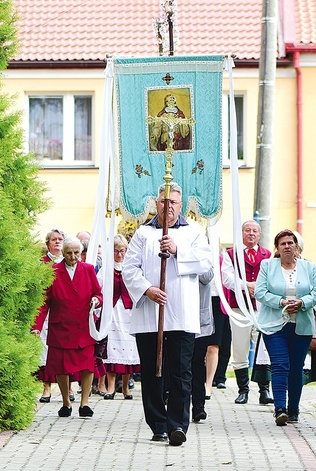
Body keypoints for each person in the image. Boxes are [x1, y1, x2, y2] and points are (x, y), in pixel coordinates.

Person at [122, 182, 212, 446]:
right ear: (156, 203)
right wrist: (147, 289)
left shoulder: (193, 232)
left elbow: (205, 264)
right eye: (163, 202)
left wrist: (177, 251)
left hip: (182, 314)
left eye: (173, 202)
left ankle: (177, 426)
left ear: (180, 205)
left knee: (181, 372)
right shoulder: (142, 233)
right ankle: (158, 424)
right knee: (152, 372)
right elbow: (129, 269)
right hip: (151, 315)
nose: (168, 206)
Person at [255, 229, 316, 426]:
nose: (287, 246)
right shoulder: (267, 265)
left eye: (290, 243)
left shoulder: (309, 267)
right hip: (275, 325)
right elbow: (260, 292)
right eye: (283, 243)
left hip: (301, 325)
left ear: (297, 247)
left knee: (296, 368)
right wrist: (281, 302)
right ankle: (280, 409)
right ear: (277, 247)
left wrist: (302, 302)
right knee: (280, 365)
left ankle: (294, 409)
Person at [32, 237, 103, 418]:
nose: (73, 256)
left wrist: (96, 300)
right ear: (63, 253)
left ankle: (84, 403)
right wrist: (37, 326)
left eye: (76, 253)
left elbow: (98, 293)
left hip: (83, 327)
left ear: (81, 253)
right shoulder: (54, 271)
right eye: (69, 253)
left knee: (87, 365)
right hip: (61, 327)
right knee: (61, 367)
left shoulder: (87, 270)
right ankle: (66, 402)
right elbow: (43, 303)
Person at [221, 220, 273, 404]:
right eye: (247, 230)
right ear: (242, 233)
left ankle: (264, 390)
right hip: (239, 307)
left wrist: (257, 288)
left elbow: (272, 277)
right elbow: (227, 278)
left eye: (255, 231)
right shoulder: (231, 254)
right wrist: (246, 285)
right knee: (240, 347)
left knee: (263, 347)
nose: (251, 234)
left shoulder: (268, 254)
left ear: (259, 234)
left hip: (262, 308)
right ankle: (243, 390)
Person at [97, 234, 140, 400]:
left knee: (128, 349)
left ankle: (126, 388)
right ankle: (110, 386)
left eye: (122, 251)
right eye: (116, 251)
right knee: (112, 347)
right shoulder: (106, 269)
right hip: (112, 311)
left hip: (128, 311)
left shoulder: (131, 267)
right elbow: (98, 285)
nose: (120, 254)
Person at [292, 231, 316, 386]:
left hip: (304, 314)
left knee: (302, 356)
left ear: (299, 249)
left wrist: (309, 308)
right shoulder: (274, 265)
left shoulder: (309, 267)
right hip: (281, 316)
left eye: (293, 245)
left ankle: (296, 396)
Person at [37, 228, 67, 403]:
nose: (57, 242)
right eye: (54, 239)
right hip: (46, 312)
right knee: (45, 350)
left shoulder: (67, 261)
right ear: (48, 243)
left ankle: (67, 388)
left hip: (63, 311)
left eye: (60, 239)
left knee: (65, 350)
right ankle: (47, 388)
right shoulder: (42, 263)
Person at [205, 256, 232, 398]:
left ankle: (213, 381)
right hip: (201, 301)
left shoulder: (223, 259)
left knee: (216, 345)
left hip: (219, 303)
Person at [191, 267, 214, 422]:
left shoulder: (204, 256)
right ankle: (178, 402)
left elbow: (206, 276)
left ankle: (199, 405)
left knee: (198, 361)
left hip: (200, 320)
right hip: (178, 319)